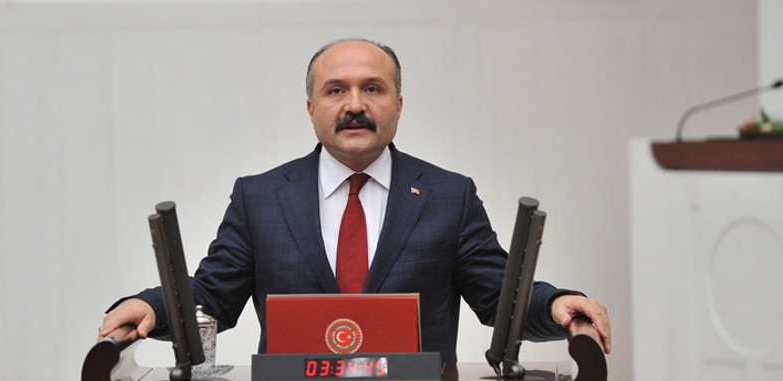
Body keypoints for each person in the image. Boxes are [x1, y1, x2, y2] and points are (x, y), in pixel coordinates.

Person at [98, 38, 611, 361]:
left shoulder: (449, 196)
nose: (355, 105)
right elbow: (213, 293)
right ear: (311, 108)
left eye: (373, 89)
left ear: (399, 105)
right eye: (335, 90)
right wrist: (149, 305)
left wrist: (556, 304)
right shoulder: (260, 197)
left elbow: (500, 295)